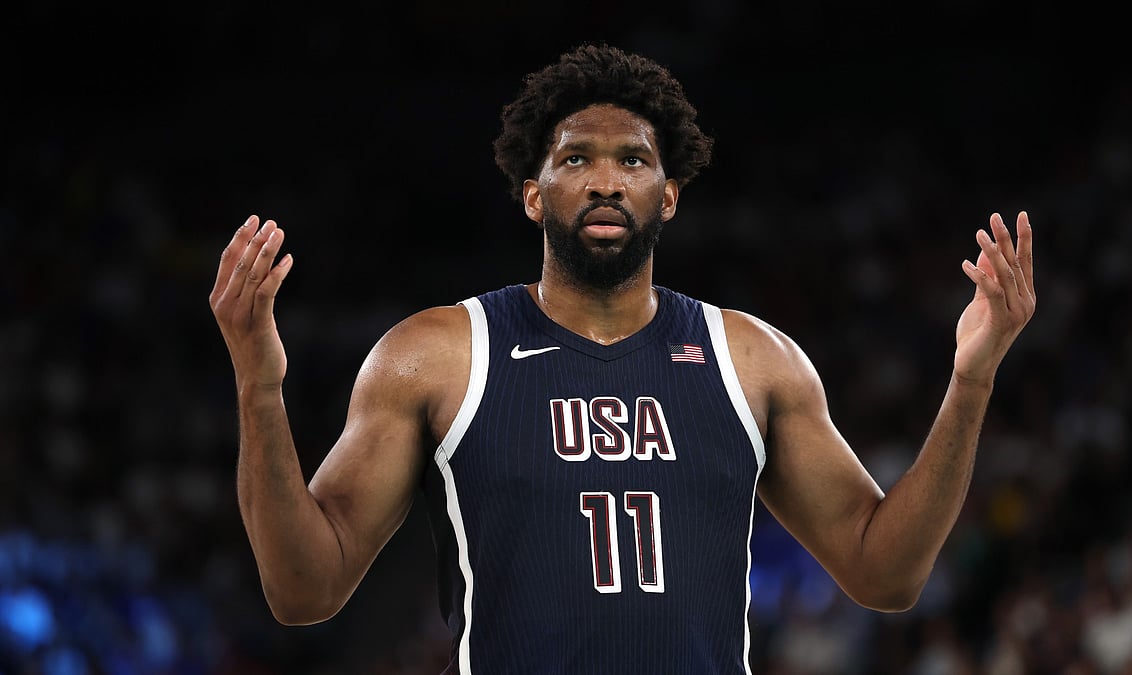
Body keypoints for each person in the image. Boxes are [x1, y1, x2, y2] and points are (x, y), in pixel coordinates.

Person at [209, 42, 1036, 674]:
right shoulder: (435, 355)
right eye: (576, 159)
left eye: (633, 160)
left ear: (668, 194)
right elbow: (302, 589)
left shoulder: (752, 360)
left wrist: (971, 379)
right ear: (533, 194)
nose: (606, 180)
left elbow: (885, 573)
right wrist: (259, 383)